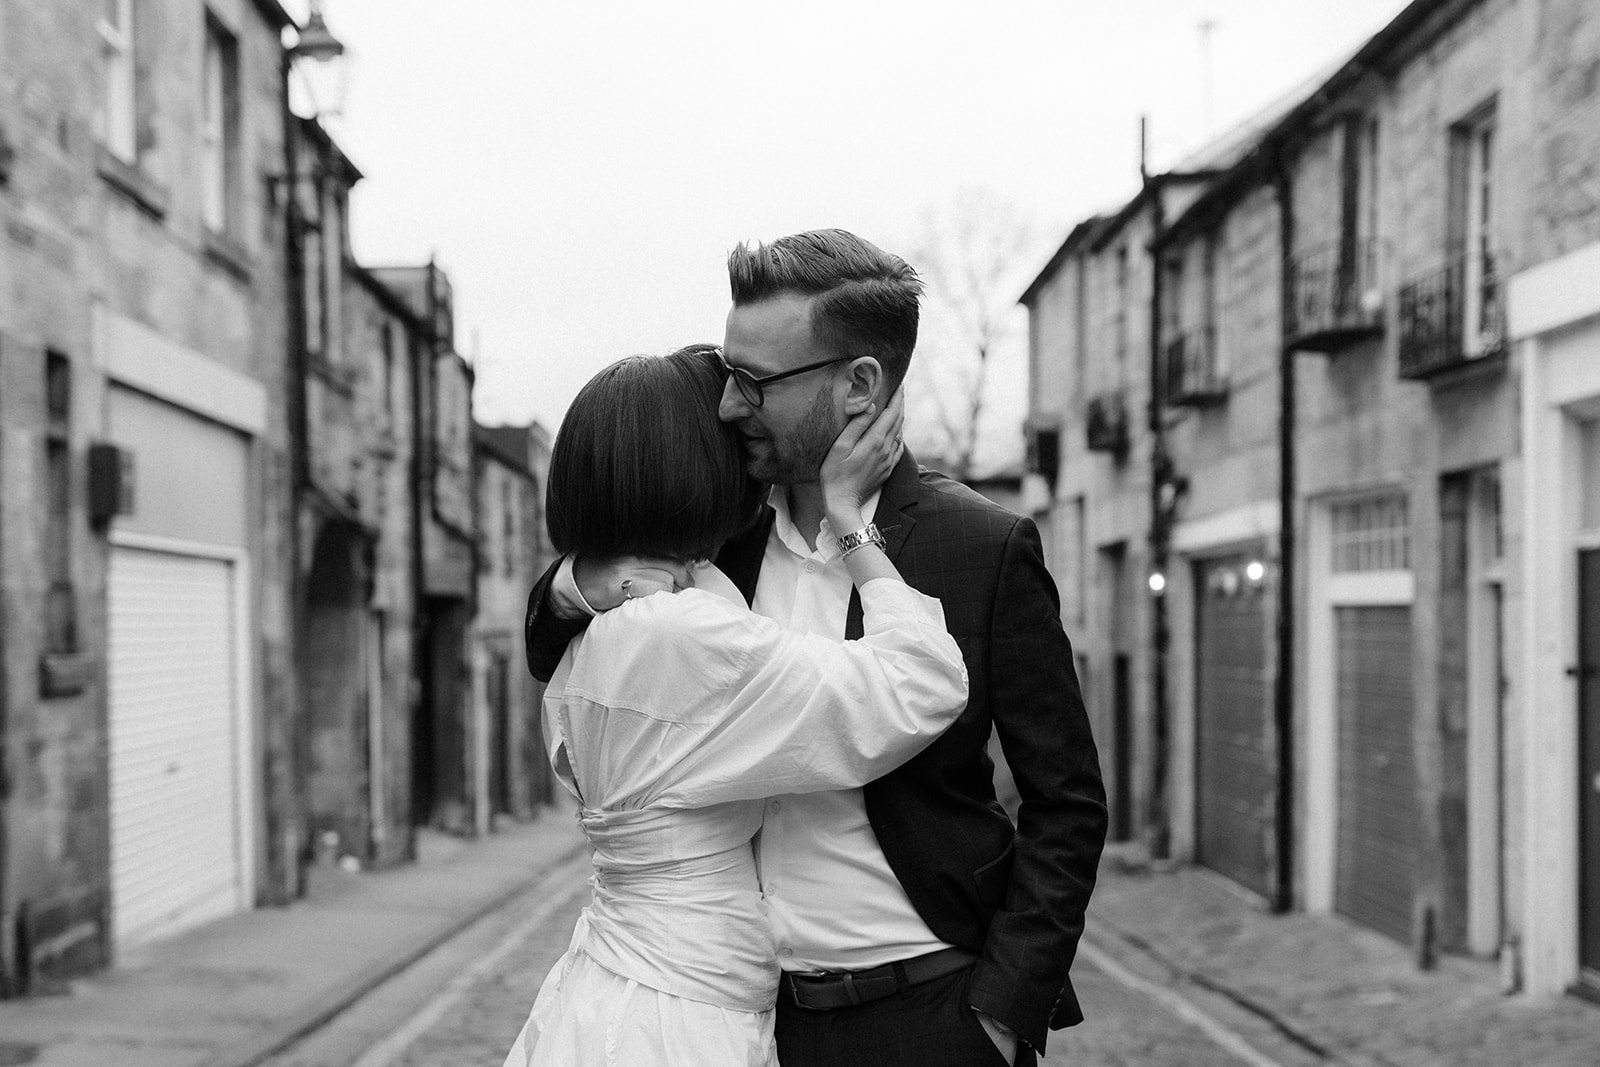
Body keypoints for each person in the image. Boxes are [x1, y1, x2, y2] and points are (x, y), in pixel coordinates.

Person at [528, 229, 1108, 1067]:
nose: (729, 404)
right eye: (728, 374)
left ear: (859, 385)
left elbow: (1068, 800)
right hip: (760, 1022)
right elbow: (560, 642)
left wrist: (1000, 1015)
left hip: (930, 1012)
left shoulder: (978, 545)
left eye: (754, 382)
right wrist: (579, 580)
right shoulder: (715, 543)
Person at [501, 345, 970, 1067]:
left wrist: (583, 578)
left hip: (622, 978)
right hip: (681, 1015)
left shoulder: (590, 636)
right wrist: (850, 522)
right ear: (696, 469)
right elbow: (922, 681)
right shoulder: (683, 632)